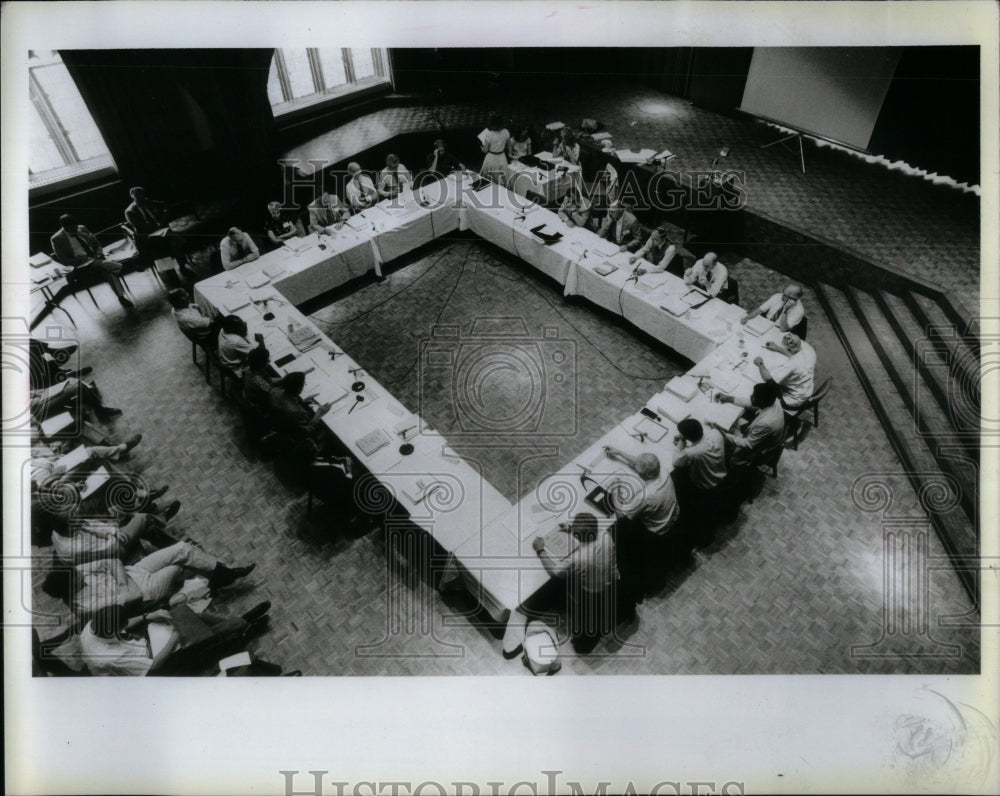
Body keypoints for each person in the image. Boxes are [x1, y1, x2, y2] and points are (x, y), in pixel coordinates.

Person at [67, 541, 256, 620]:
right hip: (146, 592)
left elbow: (113, 560)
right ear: (71, 588)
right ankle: (222, 576)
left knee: (183, 548)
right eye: (78, 578)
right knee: (180, 564)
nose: (81, 574)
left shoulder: (76, 571)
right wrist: (120, 577)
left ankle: (223, 575)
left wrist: (121, 582)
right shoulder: (85, 606)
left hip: (134, 571)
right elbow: (134, 597)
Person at [79, 600, 271, 676]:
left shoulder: (94, 626)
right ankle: (245, 627)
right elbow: (154, 666)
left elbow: (124, 624)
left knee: (181, 615)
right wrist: (173, 639)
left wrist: (148, 616)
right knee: (198, 640)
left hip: (144, 647)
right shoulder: (110, 657)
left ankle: (241, 623)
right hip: (152, 671)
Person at [602, 448, 681, 611]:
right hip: (673, 519)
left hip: (656, 533)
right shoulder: (663, 472)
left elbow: (622, 515)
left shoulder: (646, 496)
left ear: (644, 475)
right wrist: (620, 453)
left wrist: (616, 491)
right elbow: (641, 465)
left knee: (621, 531)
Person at [532, 512, 618, 654]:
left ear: (578, 537)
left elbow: (555, 572)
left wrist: (540, 550)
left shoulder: (579, 557)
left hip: (590, 591)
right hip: (610, 580)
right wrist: (572, 529)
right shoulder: (605, 535)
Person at [50, 214, 134, 309]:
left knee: (108, 272)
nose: (76, 230)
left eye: (76, 227)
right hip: (81, 266)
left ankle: (121, 298)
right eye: (73, 229)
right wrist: (78, 260)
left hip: (96, 259)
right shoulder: (57, 239)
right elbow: (63, 260)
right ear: (65, 228)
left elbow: (96, 243)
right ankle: (126, 266)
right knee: (105, 266)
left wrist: (98, 254)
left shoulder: (81, 228)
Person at [671, 417, 728, 537]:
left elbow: (676, 461)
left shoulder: (693, 452)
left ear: (687, 436)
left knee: (676, 477)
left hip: (706, 487)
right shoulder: (715, 433)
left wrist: (681, 443)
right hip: (722, 476)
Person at [710, 381, 786, 469]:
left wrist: (724, 435)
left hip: (757, 450)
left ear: (761, 401)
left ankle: (730, 471)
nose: (750, 397)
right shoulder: (772, 399)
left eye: (753, 396)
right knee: (734, 425)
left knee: (718, 449)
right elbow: (752, 403)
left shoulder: (766, 423)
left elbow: (748, 444)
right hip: (763, 437)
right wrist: (729, 399)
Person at [123, 186, 192, 276]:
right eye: (138, 197)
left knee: (175, 243)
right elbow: (141, 227)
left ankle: (181, 268)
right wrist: (159, 226)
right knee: (168, 243)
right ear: (132, 196)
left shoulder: (148, 202)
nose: (141, 198)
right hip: (146, 236)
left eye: (142, 196)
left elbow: (165, 205)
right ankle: (172, 274)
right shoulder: (129, 211)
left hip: (161, 231)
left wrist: (163, 217)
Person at [268, 371, 334, 448]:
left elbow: (286, 403)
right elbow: (307, 430)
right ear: (299, 389)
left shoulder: (274, 391)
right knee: (326, 432)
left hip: (276, 423)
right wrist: (319, 413)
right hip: (291, 435)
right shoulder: (297, 413)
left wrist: (302, 402)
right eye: (303, 384)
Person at [752, 332, 817, 410]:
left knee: (760, 390)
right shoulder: (809, 350)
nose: (786, 350)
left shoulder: (792, 364)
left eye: (787, 349)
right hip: (806, 390)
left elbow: (768, 379)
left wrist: (760, 363)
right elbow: (795, 355)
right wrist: (778, 348)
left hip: (792, 400)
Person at [30, 376, 122, 423]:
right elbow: (34, 402)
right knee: (78, 387)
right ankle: (100, 410)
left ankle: (95, 404)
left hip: (40, 400)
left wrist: (40, 392)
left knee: (72, 381)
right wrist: (37, 395)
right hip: (38, 411)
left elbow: (33, 393)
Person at [742, 284, 806, 336]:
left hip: (777, 331)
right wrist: (747, 318)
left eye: (785, 296)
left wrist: (785, 310)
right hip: (765, 323)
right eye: (783, 293)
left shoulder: (799, 311)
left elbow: (783, 329)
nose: (782, 296)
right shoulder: (777, 296)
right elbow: (760, 310)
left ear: (795, 299)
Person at [479, 114, 511, 184]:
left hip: (491, 158)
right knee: (503, 178)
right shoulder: (506, 132)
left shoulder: (489, 134)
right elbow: (508, 147)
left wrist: (482, 148)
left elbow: (485, 150)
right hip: (502, 157)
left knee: (489, 179)